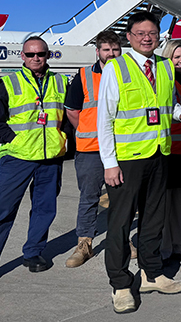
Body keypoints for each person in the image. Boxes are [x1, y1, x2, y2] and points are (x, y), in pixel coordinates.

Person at [98, 11, 181, 313]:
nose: (147, 38)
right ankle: (120, 283)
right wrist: (109, 163)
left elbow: (169, 104)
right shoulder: (117, 68)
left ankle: (152, 273)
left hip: (159, 155)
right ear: (129, 37)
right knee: (120, 224)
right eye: (140, 33)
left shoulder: (165, 67)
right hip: (127, 160)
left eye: (152, 33)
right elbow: (105, 118)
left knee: (154, 220)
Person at [0, 37, 68, 292]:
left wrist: (64, 139)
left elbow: (68, 115)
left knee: (45, 210)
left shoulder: (60, 81)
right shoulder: (10, 81)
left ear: (48, 55)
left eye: (41, 54)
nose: (36, 58)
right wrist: (17, 139)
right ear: (22, 56)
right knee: (0, 212)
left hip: (50, 158)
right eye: (31, 54)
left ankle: (33, 252)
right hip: (18, 158)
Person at [64, 30, 122, 269]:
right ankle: (84, 244)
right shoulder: (84, 76)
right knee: (89, 198)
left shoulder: (126, 74)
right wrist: (89, 131)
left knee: (120, 198)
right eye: (106, 50)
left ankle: (121, 240)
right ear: (97, 51)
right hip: (90, 149)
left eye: (115, 50)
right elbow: (72, 111)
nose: (111, 54)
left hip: (120, 149)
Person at [160, 41, 181, 264]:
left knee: (180, 205)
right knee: (163, 205)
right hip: (165, 152)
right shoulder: (165, 81)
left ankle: (178, 246)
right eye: (176, 57)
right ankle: (163, 249)